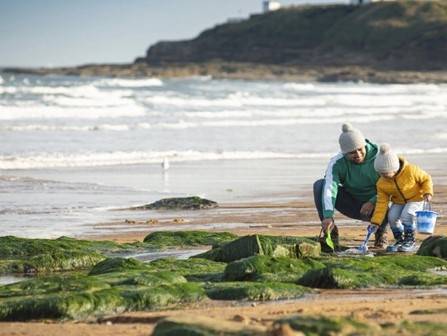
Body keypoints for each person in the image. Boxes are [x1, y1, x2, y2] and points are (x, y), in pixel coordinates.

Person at [313, 123, 388, 251]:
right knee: (320, 185)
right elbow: (330, 188)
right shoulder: (337, 162)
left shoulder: (380, 156)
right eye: (352, 152)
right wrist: (328, 215)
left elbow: (392, 185)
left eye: (360, 149)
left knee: (394, 202)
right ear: (344, 152)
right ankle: (330, 231)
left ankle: (381, 233)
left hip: (379, 205)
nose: (358, 154)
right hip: (354, 205)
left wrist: (372, 201)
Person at [370, 143, 433, 252]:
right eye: (380, 173)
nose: (382, 176)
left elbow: (426, 179)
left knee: (407, 215)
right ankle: (400, 239)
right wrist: (376, 221)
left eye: (385, 173)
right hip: (399, 201)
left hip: (416, 198)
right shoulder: (381, 183)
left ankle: (410, 240)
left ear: (394, 168)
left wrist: (428, 192)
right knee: (392, 217)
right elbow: (381, 203)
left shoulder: (411, 170)